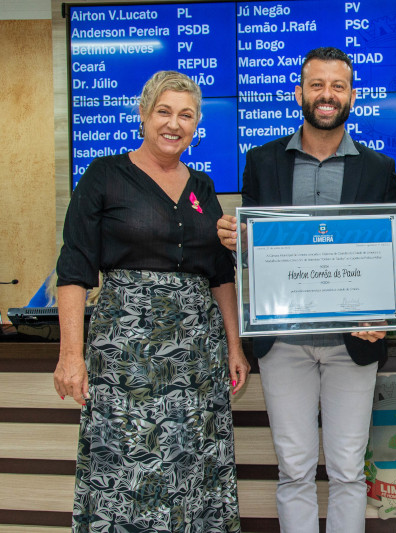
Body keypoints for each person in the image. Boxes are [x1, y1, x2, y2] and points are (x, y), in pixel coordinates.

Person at [53, 70, 249, 532]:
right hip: (127, 356)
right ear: (143, 115)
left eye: (186, 115)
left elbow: (220, 274)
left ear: (197, 124)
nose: (174, 124)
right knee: (128, 460)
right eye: (164, 111)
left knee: (193, 465)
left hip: (198, 358)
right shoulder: (104, 175)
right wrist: (70, 355)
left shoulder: (202, 186)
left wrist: (234, 346)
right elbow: (75, 268)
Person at [216, 47, 396, 533]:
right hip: (284, 343)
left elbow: (392, 254)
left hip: (352, 344)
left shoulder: (378, 168)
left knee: (346, 471)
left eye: (337, 86)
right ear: (299, 93)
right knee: (293, 470)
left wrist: (383, 314)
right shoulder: (262, 162)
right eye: (317, 85)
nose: (327, 95)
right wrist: (239, 239)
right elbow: (254, 256)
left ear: (352, 96)